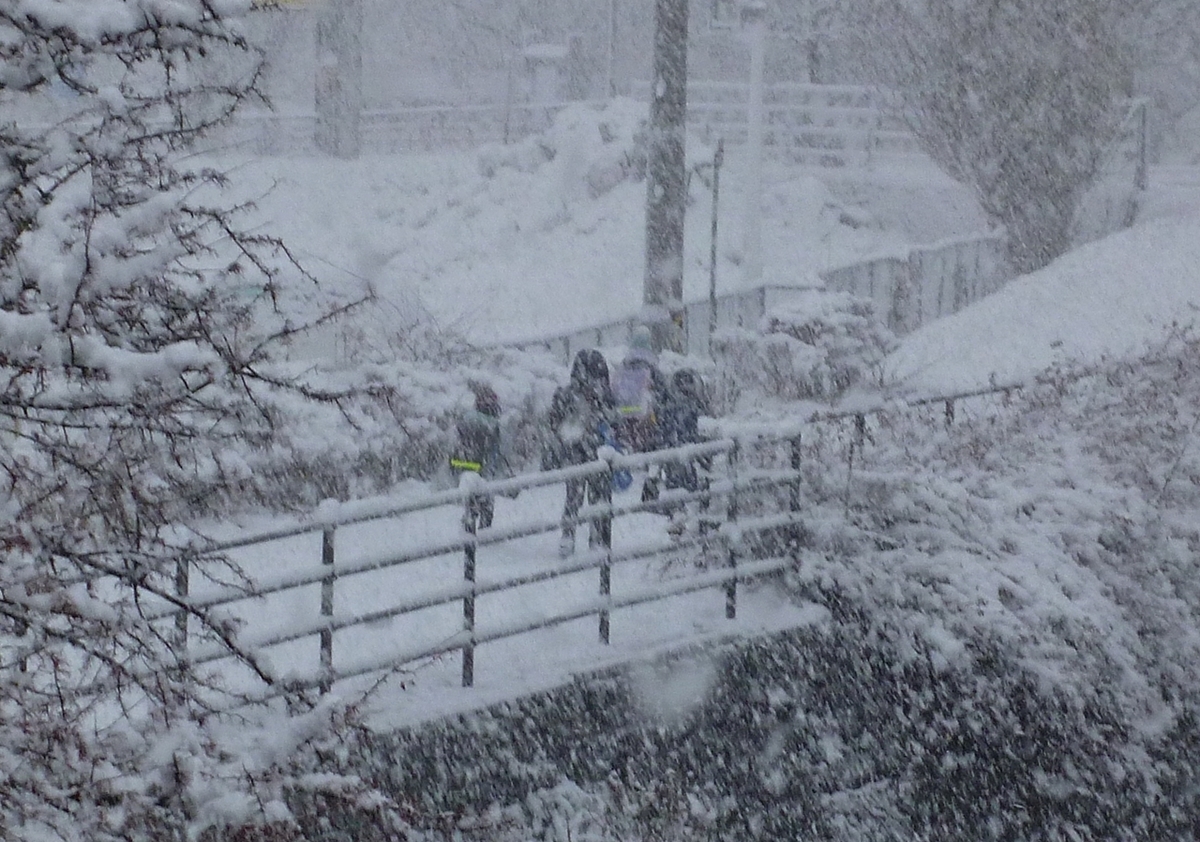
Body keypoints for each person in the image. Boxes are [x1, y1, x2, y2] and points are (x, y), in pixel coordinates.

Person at [545, 349, 618, 557]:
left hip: (576, 452)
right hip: (595, 452)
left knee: (575, 497)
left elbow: (555, 424)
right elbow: (614, 420)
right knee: (595, 496)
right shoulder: (601, 396)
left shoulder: (568, 395)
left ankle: (570, 537)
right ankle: (596, 537)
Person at [450, 383, 505, 531]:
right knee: (486, 498)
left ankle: (469, 521)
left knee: (470, 498)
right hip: (482, 467)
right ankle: (484, 528)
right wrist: (492, 470)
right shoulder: (493, 424)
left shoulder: (466, 418)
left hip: (464, 465)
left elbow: (455, 442)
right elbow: (495, 451)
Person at [610, 325, 668, 455]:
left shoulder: (622, 368)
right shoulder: (652, 368)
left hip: (623, 418)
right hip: (645, 417)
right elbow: (663, 396)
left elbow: (613, 391)